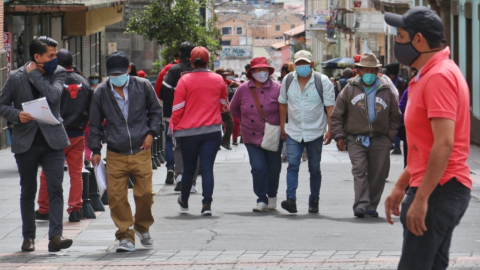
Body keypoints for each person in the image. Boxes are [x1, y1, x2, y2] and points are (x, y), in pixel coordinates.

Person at [384, 7, 472, 270]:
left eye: (400, 36)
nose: (397, 43)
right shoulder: (427, 74)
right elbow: (426, 146)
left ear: (418, 40)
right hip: (437, 187)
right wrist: (401, 185)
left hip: (440, 188)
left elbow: (443, 144)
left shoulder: (438, 77)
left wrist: (421, 198)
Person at [0, 36, 73, 252]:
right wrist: (17, 115)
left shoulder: (58, 73)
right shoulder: (15, 77)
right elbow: (2, 104)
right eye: (50, 56)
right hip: (26, 142)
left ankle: (55, 237)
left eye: (56, 55)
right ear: (36, 57)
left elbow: (53, 96)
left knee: (55, 188)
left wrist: (34, 75)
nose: (54, 59)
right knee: (28, 190)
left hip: (53, 142)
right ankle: (28, 237)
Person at [88, 51, 162, 252]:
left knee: (145, 194)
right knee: (116, 197)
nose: (117, 78)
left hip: (141, 150)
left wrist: (151, 134)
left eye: (120, 73)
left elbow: (156, 112)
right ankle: (125, 236)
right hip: (115, 152)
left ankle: (142, 226)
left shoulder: (143, 86)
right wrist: (95, 149)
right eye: (113, 75)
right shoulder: (101, 92)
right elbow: (94, 124)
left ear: (129, 69)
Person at [331, 53, 401, 218]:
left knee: (379, 173)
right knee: (359, 169)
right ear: (359, 71)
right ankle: (361, 205)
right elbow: (337, 115)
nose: (369, 73)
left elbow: (395, 116)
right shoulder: (349, 89)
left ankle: (372, 205)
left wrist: (389, 137)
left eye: (372, 70)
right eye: (366, 69)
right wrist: (339, 136)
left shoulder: (386, 90)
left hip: (380, 138)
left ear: (377, 71)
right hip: (356, 138)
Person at [36, 49, 93, 223]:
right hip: (77, 134)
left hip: (55, 134)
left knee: (47, 172)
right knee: (76, 173)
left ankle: (44, 208)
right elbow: (90, 112)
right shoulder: (85, 82)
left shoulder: (52, 81)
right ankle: (75, 209)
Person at [170, 46, 225, 216]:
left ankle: (184, 200)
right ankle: (206, 205)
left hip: (188, 133)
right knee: (207, 168)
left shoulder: (184, 81)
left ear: (192, 62)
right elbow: (224, 105)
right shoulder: (218, 79)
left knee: (189, 168)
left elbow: (178, 108)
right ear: (209, 62)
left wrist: (174, 127)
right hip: (212, 131)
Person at [278, 50, 335, 214]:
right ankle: (291, 200)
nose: (301, 66)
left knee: (314, 168)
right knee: (292, 165)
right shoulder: (288, 80)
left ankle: (314, 200)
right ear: (294, 65)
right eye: (298, 63)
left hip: (315, 131)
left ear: (312, 64)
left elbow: (330, 107)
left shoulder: (322, 81)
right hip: (293, 131)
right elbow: (282, 104)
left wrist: (330, 130)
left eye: (305, 63)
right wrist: (282, 127)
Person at [230, 57, 282, 212]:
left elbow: (284, 110)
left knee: (274, 168)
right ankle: (261, 198)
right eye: (258, 69)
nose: (261, 73)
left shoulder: (277, 88)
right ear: (251, 72)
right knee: (258, 167)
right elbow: (233, 109)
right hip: (251, 135)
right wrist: (246, 120)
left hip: (273, 134)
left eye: (264, 69)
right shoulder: (243, 89)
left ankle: (272, 195)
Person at [160, 42, 196, 188]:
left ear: (180, 54)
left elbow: (164, 91)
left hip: (173, 114)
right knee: (193, 145)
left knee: (173, 143)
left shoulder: (175, 69)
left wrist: (172, 107)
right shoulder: (198, 70)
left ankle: (174, 170)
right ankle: (191, 178)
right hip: (194, 114)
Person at [385, 62, 408, 155]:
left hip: (398, 107)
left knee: (396, 127)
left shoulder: (399, 82)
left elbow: (401, 96)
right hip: (394, 106)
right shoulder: (394, 81)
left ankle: (397, 147)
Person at [215, 68, 237, 150]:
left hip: (225, 107)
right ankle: (217, 143)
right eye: (223, 74)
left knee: (230, 124)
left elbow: (234, 83)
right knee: (216, 127)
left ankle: (224, 141)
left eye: (225, 74)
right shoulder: (214, 82)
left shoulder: (225, 80)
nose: (225, 76)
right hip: (216, 108)